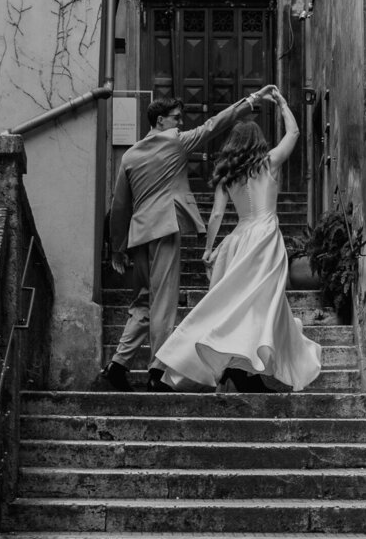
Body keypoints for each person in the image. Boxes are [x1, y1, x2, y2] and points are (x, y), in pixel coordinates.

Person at [151, 85, 322, 393]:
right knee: (260, 304)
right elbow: (294, 133)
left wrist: (209, 249)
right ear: (258, 142)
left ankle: (241, 370)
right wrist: (282, 103)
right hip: (265, 238)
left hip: (240, 238)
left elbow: (217, 215)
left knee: (238, 306)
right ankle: (242, 370)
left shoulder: (227, 173)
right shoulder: (268, 162)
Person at [102, 88, 268, 390]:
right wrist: (251, 101)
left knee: (143, 301)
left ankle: (117, 364)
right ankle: (158, 372)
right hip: (164, 229)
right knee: (163, 303)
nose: (180, 123)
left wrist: (117, 248)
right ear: (160, 120)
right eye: (176, 118)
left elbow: (120, 206)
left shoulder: (129, 155)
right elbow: (215, 124)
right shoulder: (176, 142)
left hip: (139, 234)